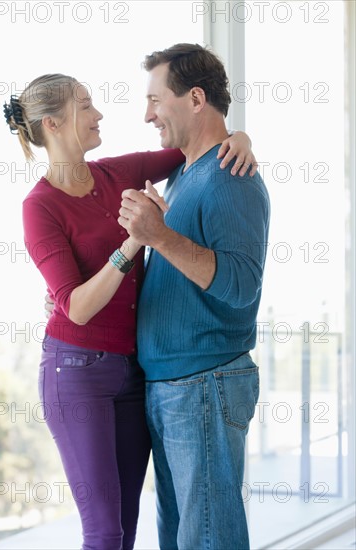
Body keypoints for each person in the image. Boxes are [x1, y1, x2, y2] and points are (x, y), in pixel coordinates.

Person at [3, 72, 256, 550]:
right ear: (54, 124)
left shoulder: (117, 173)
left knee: (127, 523)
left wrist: (240, 138)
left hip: (134, 369)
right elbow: (75, 307)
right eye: (85, 106)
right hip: (76, 370)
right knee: (103, 531)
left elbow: (194, 143)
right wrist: (133, 244)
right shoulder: (40, 207)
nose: (99, 114)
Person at [118, 43, 270, 550]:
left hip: (204, 383)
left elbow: (241, 286)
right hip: (174, 386)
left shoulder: (233, 177)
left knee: (207, 540)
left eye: (155, 100)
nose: (147, 115)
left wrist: (160, 237)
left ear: (196, 98)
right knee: (183, 537)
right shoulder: (186, 173)